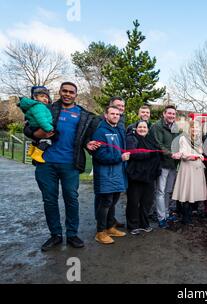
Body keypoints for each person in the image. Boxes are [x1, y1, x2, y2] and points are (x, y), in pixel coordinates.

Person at [30, 82, 97, 251]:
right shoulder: (47, 109)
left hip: (70, 163)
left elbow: (87, 137)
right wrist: (40, 134)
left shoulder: (83, 115)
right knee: (49, 200)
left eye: (71, 92)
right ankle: (56, 235)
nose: (67, 94)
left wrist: (88, 144)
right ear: (59, 92)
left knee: (71, 199)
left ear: (76, 94)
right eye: (64, 91)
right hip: (46, 163)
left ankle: (72, 234)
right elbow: (28, 129)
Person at [91, 106, 129, 244]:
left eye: (117, 114)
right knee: (105, 202)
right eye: (112, 114)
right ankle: (100, 232)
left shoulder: (119, 130)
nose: (115, 116)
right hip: (105, 174)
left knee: (113, 202)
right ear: (105, 115)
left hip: (118, 173)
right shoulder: (100, 132)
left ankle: (110, 227)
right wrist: (120, 158)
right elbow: (99, 155)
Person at [126, 120, 161, 235]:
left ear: (148, 129)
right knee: (133, 201)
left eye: (144, 127)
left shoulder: (151, 140)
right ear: (136, 128)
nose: (142, 129)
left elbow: (158, 153)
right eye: (140, 127)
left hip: (149, 176)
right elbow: (133, 153)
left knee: (147, 202)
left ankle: (144, 224)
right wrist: (150, 154)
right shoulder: (132, 138)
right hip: (136, 175)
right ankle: (133, 225)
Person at [150, 105, 182, 228]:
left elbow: (178, 143)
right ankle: (161, 217)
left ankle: (167, 213)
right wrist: (171, 154)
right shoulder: (157, 126)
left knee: (168, 191)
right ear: (164, 114)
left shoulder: (175, 127)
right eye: (169, 113)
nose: (171, 116)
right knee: (160, 191)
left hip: (173, 164)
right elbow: (158, 144)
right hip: (162, 163)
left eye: (173, 114)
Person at [172, 121, 207, 225]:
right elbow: (183, 153)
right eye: (193, 127)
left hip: (197, 168)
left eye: (197, 127)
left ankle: (190, 215)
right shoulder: (183, 138)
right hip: (187, 168)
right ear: (189, 128)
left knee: (194, 192)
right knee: (187, 192)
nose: (195, 129)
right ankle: (185, 218)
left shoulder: (199, 140)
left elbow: (201, 152)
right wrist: (193, 156)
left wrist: (201, 155)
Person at [18, 86, 55, 163]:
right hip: (40, 128)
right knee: (46, 141)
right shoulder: (39, 107)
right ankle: (37, 154)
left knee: (37, 140)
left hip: (37, 128)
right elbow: (41, 120)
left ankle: (31, 151)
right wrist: (49, 128)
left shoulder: (37, 106)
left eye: (46, 97)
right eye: (42, 96)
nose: (45, 98)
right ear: (35, 97)